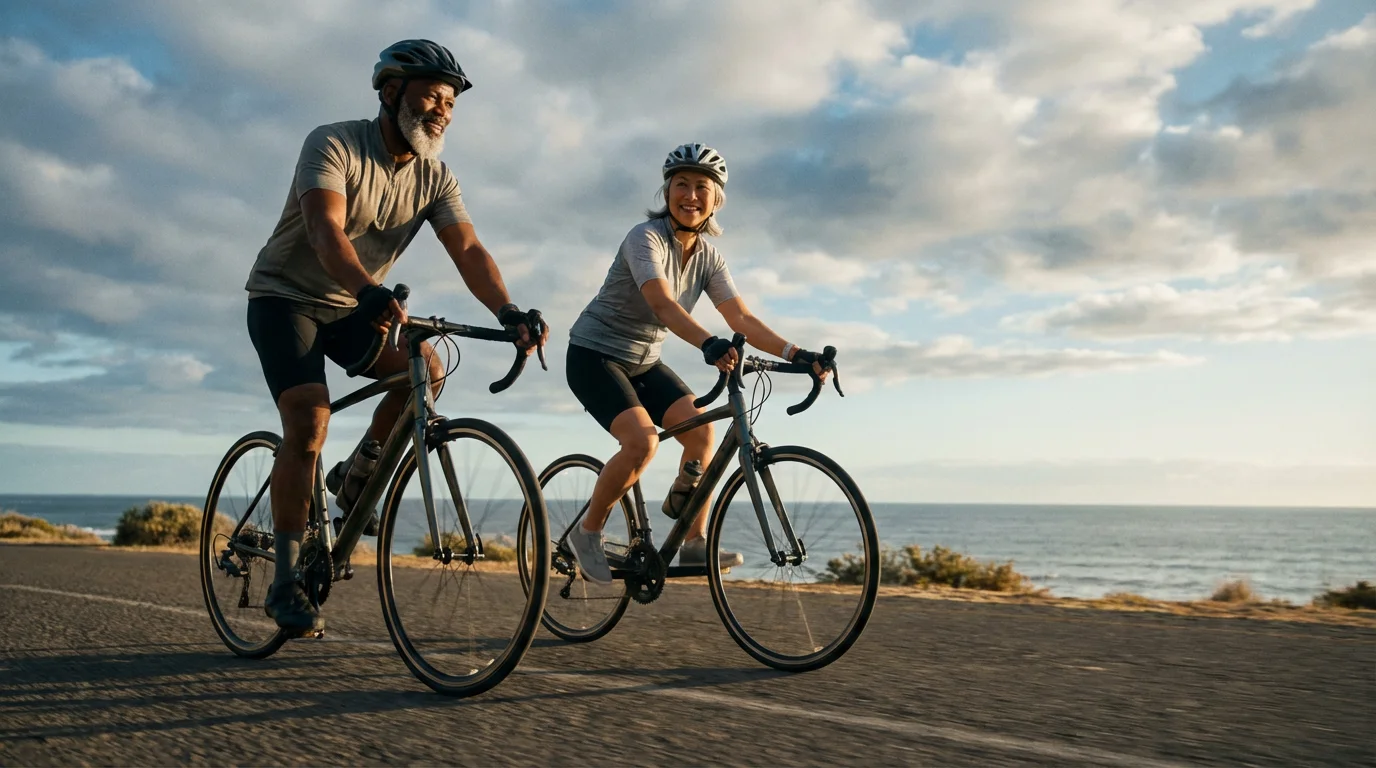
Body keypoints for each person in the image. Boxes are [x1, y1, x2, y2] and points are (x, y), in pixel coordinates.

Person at [243, 39, 547, 634]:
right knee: (308, 422)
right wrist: (368, 289)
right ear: (390, 93)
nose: (442, 111)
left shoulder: (436, 177)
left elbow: (468, 249)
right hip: (286, 298)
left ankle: (359, 473)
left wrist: (508, 310)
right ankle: (283, 581)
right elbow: (324, 229)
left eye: (451, 103)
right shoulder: (332, 143)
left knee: (426, 370)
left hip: (354, 304)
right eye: (431, 96)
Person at [563, 143, 831, 585]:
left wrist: (797, 354)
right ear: (667, 192)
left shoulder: (709, 256)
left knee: (703, 433)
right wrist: (707, 343)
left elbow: (741, 317)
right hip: (595, 354)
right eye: (681, 185)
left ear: (716, 199)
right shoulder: (643, 238)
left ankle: (691, 543)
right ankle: (587, 533)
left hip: (643, 360)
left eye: (701, 188)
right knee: (642, 444)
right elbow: (662, 303)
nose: (690, 195)